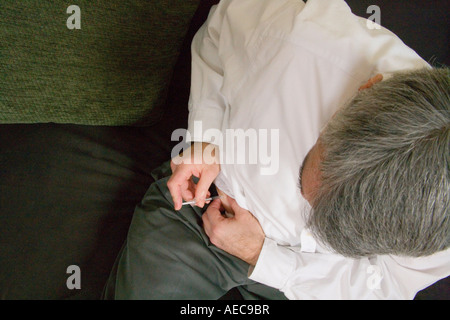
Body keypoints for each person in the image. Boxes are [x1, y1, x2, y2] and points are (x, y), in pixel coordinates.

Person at [104, 0, 449, 299]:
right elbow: (219, 29)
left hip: (319, 281)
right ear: (367, 89)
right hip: (205, 206)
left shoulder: (440, 231)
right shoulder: (291, 36)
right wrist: (205, 139)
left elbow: (385, 285)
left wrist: (263, 256)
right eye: (309, 173)